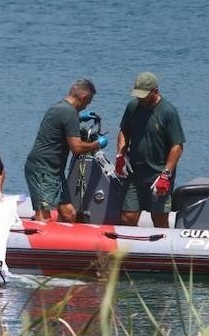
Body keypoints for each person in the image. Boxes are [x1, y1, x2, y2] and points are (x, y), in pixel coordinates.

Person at [23, 79, 107, 222]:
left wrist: (79, 118)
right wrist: (97, 144)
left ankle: (63, 242)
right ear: (84, 97)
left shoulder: (60, 108)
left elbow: (61, 123)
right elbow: (77, 148)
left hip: (55, 171)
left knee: (69, 214)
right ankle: (39, 240)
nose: (87, 105)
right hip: (43, 170)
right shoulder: (68, 112)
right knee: (43, 218)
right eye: (88, 101)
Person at [114, 71, 184, 228]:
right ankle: (128, 251)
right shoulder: (132, 107)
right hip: (134, 172)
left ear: (155, 91)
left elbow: (177, 146)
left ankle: (165, 249)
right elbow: (124, 131)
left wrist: (166, 174)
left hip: (158, 173)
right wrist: (120, 155)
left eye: (144, 95)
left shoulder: (168, 112)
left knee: (159, 218)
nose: (140, 99)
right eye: (138, 95)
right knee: (127, 217)